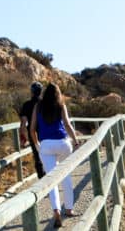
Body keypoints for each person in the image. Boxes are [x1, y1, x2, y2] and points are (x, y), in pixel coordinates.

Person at [31, 83, 80, 227]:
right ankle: (69, 208)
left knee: (51, 180)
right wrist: (76, 141)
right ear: (58, 93)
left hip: (46, 145)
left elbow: (32, 129)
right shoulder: (60, 104)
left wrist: (37, 145)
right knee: (66, 175)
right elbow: (67, 124)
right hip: (63, 143)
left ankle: (56, 210)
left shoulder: (38, 106)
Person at [19, 82, 46, 178]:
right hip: (46, 132)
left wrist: (23, 139)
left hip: (33, 133)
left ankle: (42, 180)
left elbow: (23, 124)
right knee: (48, 156)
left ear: (31, 92)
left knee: (38, 158)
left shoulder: (26, 105)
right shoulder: (45, 104)